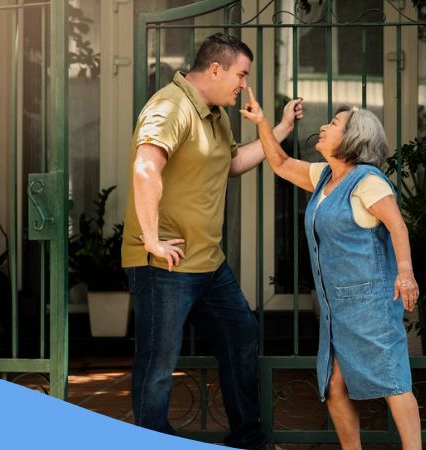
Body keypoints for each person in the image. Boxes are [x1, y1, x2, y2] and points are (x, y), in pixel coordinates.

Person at [121, 33, 302, 450]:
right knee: (158, 365)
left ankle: (248, 438)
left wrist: (280, 128)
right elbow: (146, 168)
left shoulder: (215, 113)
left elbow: (232, 163)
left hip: (207, 264)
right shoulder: (170, 106)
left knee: (240, 337)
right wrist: (152, 241)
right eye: (241, 74)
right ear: (216, 69)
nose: (243, 84)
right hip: (164, 265)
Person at [239, 88, 422, 450]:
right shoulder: (325, 176)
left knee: (392, 379)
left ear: (352, 138)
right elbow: (279, 163)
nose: (324, 126)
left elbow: (397, 225)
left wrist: (405, 273)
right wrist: (263, 122)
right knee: (334, 385)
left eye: (334, 123)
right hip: (337, 307)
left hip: (369, 304)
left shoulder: (367, 180)